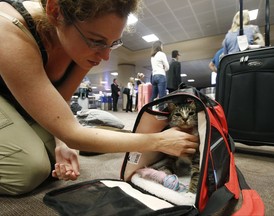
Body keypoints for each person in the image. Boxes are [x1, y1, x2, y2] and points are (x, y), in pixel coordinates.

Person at [0, 0, 198, 196]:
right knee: (29, 170)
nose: (105, 56)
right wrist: (158, 141)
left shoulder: (82, 47)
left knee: (65, 150)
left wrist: (62, 143)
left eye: (113, 44)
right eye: (97, 41)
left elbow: (61, 104)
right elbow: (72, 132)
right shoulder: (8, 28)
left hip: (22, 107)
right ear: (55, 11)